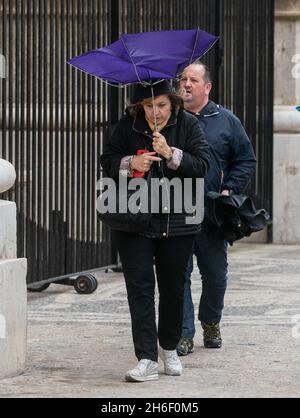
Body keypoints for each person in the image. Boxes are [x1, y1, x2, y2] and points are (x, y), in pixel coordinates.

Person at [100, 80, 210, 382]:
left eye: (161, 105)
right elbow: (106, 162)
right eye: (150, 106)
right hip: (134, 221)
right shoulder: (127, 126)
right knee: (140, 289)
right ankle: (146, 358)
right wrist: (131, 162)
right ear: (139, 107)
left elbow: (203, 166)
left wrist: (171, 153)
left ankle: (170, 347)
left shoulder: (188, 125)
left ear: (172, 104)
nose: (156, 112)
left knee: (174, 287)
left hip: (177, 221)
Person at [176, 62, 257, 356]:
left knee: (215, 274)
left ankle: (211, 322)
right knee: (178, 273)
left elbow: (246, 159)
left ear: (207, 87)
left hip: (212, 211)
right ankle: (183, 334)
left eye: (193, 80)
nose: (186, 84)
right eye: (183, 79)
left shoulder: (226, 120)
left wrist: (229, 189)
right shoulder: (171, 119)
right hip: (176, 208)